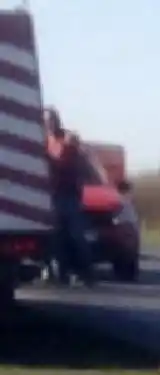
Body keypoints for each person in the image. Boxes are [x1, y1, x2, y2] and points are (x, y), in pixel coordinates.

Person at [43, 107, 94, 286]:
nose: (49, 123)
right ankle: (59, 272)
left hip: (69, 195)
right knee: (55, 236)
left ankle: (86, 272)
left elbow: (77, 160)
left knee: (77, 236)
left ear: (57, 120)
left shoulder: (68, 139)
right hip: (52, 195)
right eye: (46, 120)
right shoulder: (44, 140)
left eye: (52, 120)